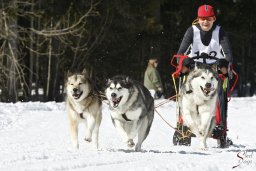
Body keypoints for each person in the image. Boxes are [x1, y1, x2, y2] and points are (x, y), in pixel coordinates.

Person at [173, 4, 233, 147]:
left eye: (208, 19)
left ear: (213, 19)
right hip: (195, 71)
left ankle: (219, 127)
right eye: (202, 19)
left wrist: (224, 64)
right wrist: (184, 62)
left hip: (214, 70)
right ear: (198, 19)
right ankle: (184, 127)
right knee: (187, 93)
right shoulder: (192, 31)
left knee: (219, 90)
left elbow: (229, 55)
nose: (205, 22)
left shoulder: (220, 32)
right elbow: (180, 54)